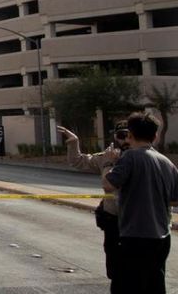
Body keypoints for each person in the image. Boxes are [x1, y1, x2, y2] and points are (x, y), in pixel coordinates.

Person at [103, 112, 178, 294]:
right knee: (155, 285)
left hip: (135, 236)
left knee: (128, 285)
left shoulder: (130, 157)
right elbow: (175, 199)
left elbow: (108, 185)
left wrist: (109, 163)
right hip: (162, 236)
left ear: (130, 135)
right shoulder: (167, 163)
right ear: (155, 136)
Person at [56, 122, 128, 292]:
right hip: (113, 219)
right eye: (121, 135)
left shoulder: (140, 157)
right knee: (115, 271)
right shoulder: (106, 157)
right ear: (115, 136)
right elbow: (78, 161)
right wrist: (74, 142)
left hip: (137, 221)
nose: (125, 140)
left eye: (128, 135)